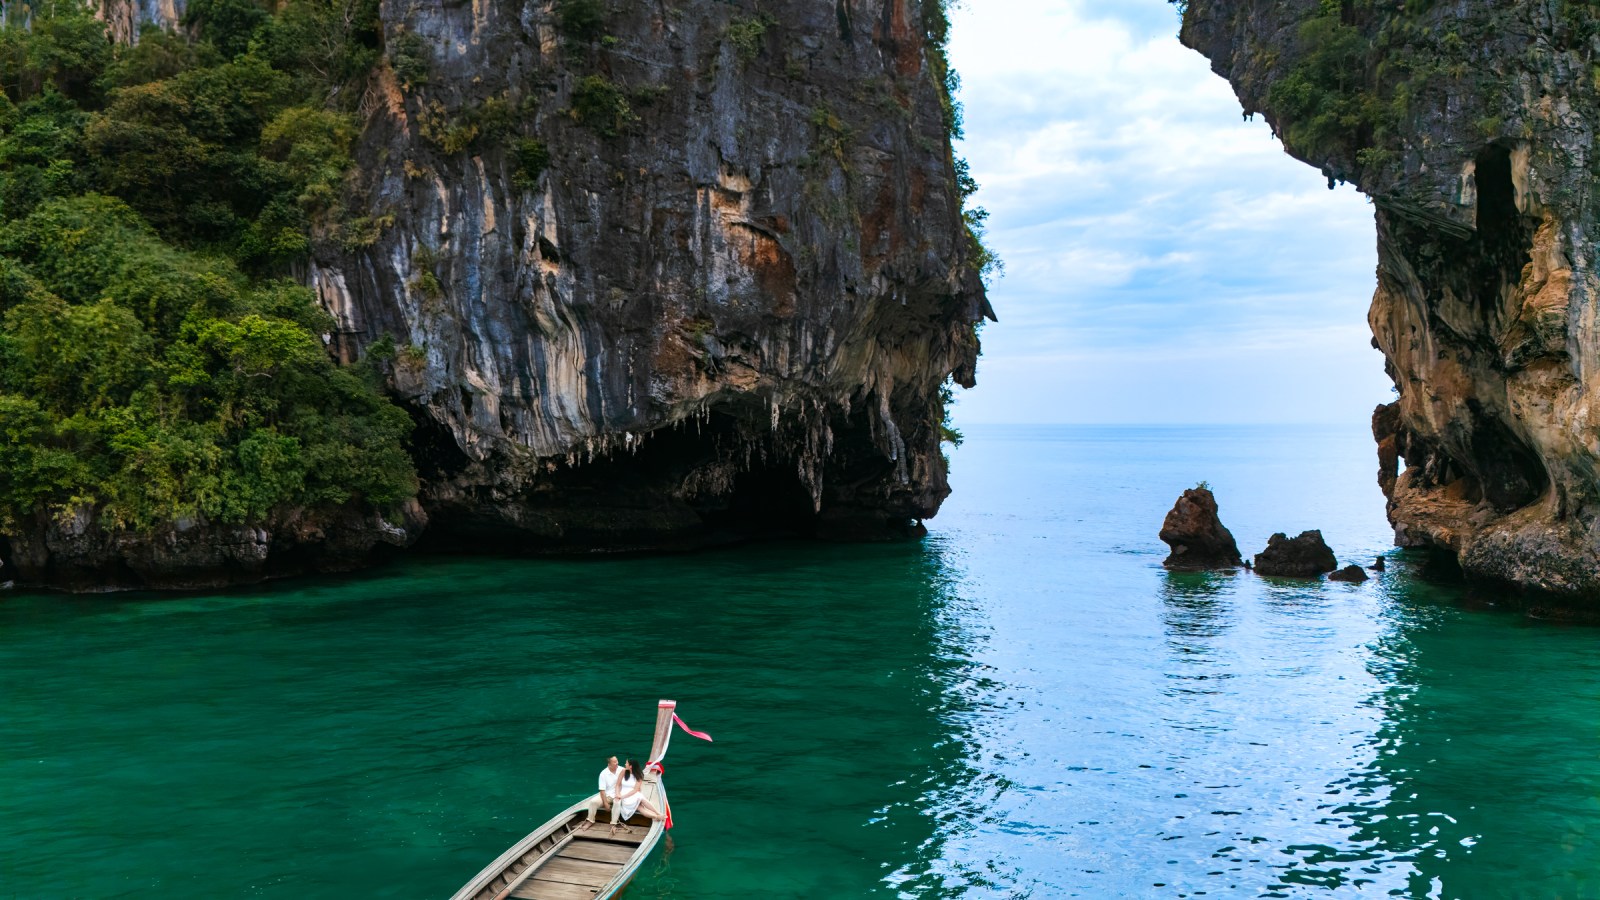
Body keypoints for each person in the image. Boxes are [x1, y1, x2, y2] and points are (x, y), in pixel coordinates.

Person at [609, 758, 665, 834]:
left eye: (626, 763)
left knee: (641, 798)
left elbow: (635, 790)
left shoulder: (639, 775)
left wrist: (623, 796)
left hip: (632, 794)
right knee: (640, 808)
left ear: (631, 766)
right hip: (624, 794)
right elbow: (618, 785)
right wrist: (618, 794)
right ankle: (657, 816)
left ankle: (657, 813)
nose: (625, 764)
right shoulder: (623, 771)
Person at [579, 755, 624, 831]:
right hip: (607, 794)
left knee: (617, 803)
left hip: (618, 794)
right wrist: (605, 803)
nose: (617, 763)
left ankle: (613, 824)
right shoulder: (603, 774)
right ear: (609, 764)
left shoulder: (622, 770)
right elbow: (602, 790)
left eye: (617, 761)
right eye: (614, 762)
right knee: (593, 802)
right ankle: (590, 820)